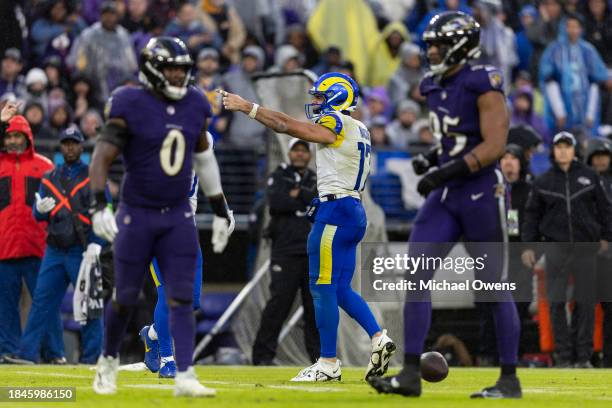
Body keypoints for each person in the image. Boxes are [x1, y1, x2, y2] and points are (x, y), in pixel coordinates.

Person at [368, 11, 522, 398]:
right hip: (449, 193)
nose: (431, 51)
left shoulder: (483, 81)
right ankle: (408, 374)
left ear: (459, 44)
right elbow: (455, 138)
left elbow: (493, 145)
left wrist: (445, 169)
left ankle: (509, 379)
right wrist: (432, 159)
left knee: (492, 286)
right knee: (416, 277)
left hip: (482, 192)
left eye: (437, 44)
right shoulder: (432, 85)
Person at [219, 71, 395, 382]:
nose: (314, 102)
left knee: (322, 287)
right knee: (340, 288)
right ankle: (379, 337)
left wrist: (249, 107)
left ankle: (327, 362)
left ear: (337, 97)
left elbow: (286, 126)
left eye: (319, 97)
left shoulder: (336, 122)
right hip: (351, 208)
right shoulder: (361, 128)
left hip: (336, 211)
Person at [89, 37, 234, 397]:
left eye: (182, 69)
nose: (177, 75)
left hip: (179, 215)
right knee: (124, 296)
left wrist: (220, 207)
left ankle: (182, 372)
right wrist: (97, 205)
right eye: (170, 68)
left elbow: (204, 159)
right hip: (137, 213)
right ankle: (107, 361)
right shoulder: (129, 101)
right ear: (153, 67)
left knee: (183, 297)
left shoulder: (194, 104)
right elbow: (103, 155)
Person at [13, 127, 106, 364]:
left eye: (74, 143)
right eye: (66, 143)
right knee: (41, 303)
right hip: (54, 250)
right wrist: (38, 209)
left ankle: (92, 357)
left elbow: (105, 213)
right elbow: (39, 215)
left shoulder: (93, 176)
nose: (70, 147)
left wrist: (96, 246)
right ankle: (27, 354)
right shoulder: (49, 178)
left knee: (89, 305)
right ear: (61, 147)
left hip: (82, 250)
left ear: (81, 146)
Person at [521, 131, 612, 368]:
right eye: (559, 146)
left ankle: (583, 356)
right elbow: (531, 216)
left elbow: (606, 210)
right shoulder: (542, 182)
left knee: (586, 302)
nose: (563, 151)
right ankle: (562, 355)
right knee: (556, 302)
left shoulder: (590, 177)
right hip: (555, 247)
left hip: (585, 247)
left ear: (574, 150)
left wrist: (606, 237)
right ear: (553, 150)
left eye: (567, 146)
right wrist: (529, 245)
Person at [140, 165, 229, 379]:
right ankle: (168, 361)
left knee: (192, 302)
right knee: (167, 295)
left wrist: (223, 211)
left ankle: (151, 334)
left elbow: (210, 177)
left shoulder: (202, 139)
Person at [0, 103, 61, 364]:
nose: (13, 141)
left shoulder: (45, 167)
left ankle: (54, 353)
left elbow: (61, 204)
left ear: (28, 138)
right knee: (5, 307)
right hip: (3, 246)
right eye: (9, 136)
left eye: (17, 136)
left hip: (39, 246)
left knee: (46, 303)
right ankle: (8, 351)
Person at [252, 139, 320, 366]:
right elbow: (277, 201)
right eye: (296, 150)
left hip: (311, 251)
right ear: (289, 153)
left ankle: (319, 359)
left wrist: (297, 194)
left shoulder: (315, 177)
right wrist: (303, 198)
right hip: (285, 249)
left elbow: (317, 205)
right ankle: (262, 357)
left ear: (310, 155)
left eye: (304, 150)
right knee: (278, 303)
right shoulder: (279, 174)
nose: (300, 154)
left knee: (314, 307)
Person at [539, 13, 610, 135]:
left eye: (576, 26)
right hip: (562, 113)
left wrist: (590, 114)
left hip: (586, 112)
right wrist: (559, 111)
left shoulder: (587, 50)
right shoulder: (554, 50)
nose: (572, 30)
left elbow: (595, 81)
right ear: (563, 28)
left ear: (581, 29)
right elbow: (549, 81)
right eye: (569, 26)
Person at [585, 138, 612, 367]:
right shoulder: (582, 182)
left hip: (607, 253)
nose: (601, 159)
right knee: (583, 308)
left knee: (609, 307)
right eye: (597, 155)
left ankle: (608, 358)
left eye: (605, 155)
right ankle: (583, 356)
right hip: (585, 252)